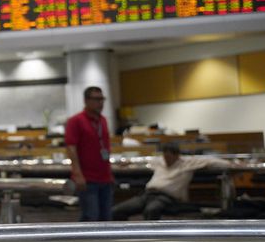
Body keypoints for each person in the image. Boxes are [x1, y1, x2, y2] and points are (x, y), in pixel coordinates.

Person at [112, 143, 232, 221]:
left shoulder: (188, 163)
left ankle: (151, 241)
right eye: (164, 156)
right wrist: (128, 162)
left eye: (168, 157)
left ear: (176, 155)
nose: (166, 159)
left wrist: (231, 164)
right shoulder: (160, 161)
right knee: (117, 210)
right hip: (147, 194)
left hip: (166, 197)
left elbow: (210, 161)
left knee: (151, 210)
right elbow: (143, 161)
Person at [65, 86, 114, 222]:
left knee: (106, 218)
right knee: (91, 217)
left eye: (102, 99)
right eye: (97, 99)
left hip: (105, 178)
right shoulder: (75, 121)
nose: (100, 103)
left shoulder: (103, 120)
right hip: (87, 179)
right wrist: (77, 174)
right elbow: (71, 147)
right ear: (86, 100)